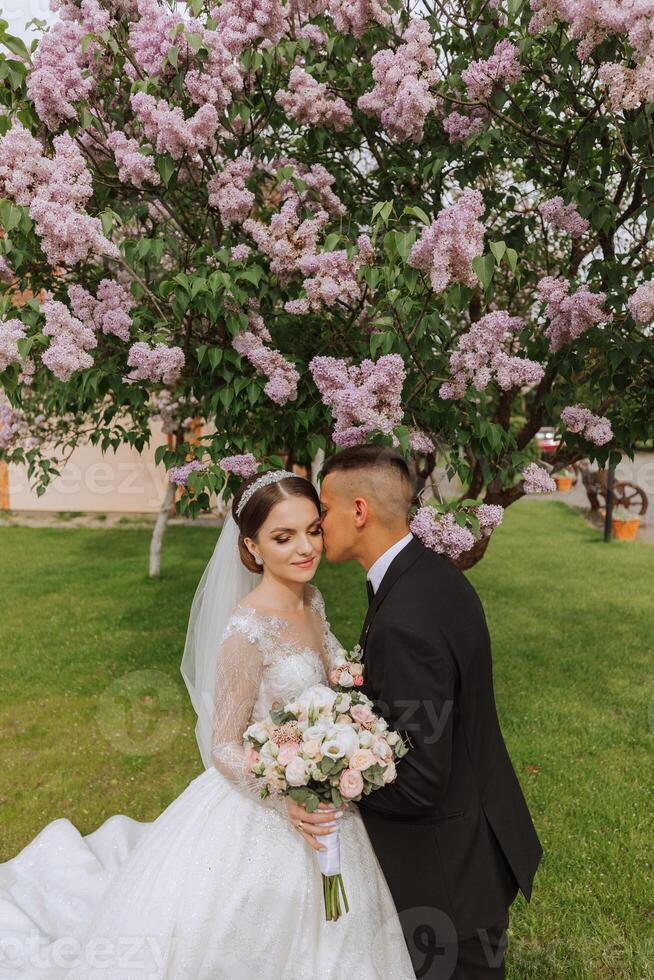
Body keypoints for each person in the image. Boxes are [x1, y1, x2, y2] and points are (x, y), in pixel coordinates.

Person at [0, 469, 416, 980]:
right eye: (283, 537)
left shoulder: (313, 601)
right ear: (253, 546)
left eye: (312, 529)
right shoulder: (247, 628)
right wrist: (285, 795)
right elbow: (223, 743)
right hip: (271, 801)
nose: (305, 547)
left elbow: (337, 679)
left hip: (327, 795)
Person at [295, 444, 544, 980]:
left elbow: (419, 782)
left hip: (446, 873)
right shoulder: (431, 574)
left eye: (324, 510)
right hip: (475, 842)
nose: (318, 525)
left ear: (358, 511)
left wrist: (329, 781)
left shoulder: (404, 619)